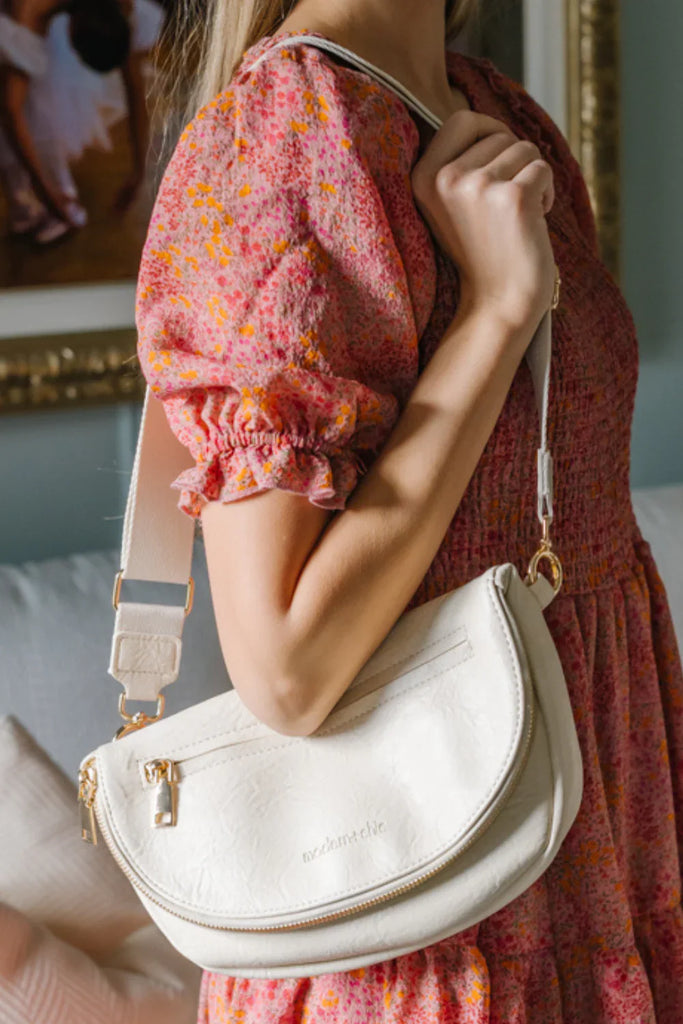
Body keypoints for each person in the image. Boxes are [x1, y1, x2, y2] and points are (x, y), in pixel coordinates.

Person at [135, 0, 683, 1020]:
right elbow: (287, 668)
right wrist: (496, 310)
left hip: (597, 841)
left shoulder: (496, 110)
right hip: (431, 927)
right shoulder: (292, 136)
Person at [0, 0, 163, 245]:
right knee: (29, 102)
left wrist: (139, 171)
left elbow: (134, 88)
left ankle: (35, 201)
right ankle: (27, 201)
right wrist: (45, 192)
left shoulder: (122, 7)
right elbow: (11, 111)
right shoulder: (32, 11)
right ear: (71, 30)